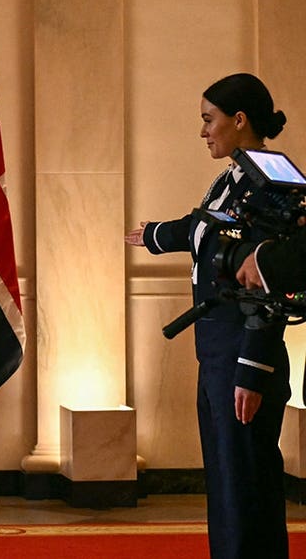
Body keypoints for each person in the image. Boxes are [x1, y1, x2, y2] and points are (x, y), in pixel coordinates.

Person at [124, 73, 289, 559]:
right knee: (226, 485)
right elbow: (205, 228)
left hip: (243, 357)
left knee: (246, 492)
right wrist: (155, 235)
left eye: (208, 120)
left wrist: (252, 369)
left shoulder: (270, 185)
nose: (203, 132)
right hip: (217, 352)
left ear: (239, 121)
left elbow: (270, 289)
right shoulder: (234, 176)